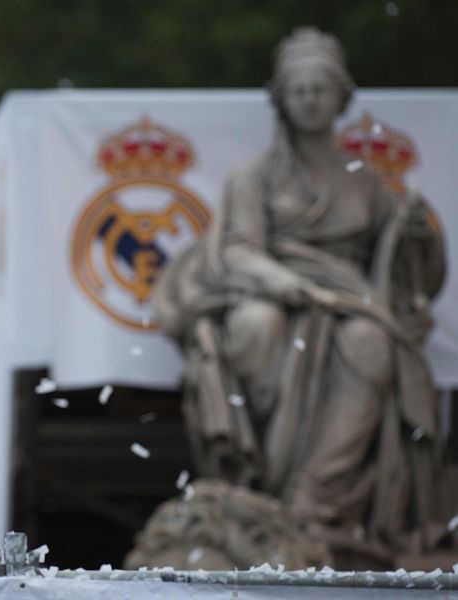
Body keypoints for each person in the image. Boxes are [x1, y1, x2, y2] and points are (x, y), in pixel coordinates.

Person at [153, 28, 447, 559]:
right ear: (281, 100)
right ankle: (260, 478)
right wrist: (287, 284)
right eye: (299, 89)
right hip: (279, 293)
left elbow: (406, 271)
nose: (310, 99)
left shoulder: (366, 182)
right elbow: (237, 251)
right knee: (255, 326)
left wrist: (417, 239)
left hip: (349, 303)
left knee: (369, 344)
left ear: (341, 97)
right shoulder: (254, 176)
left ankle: (313, 497)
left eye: (320, 88)